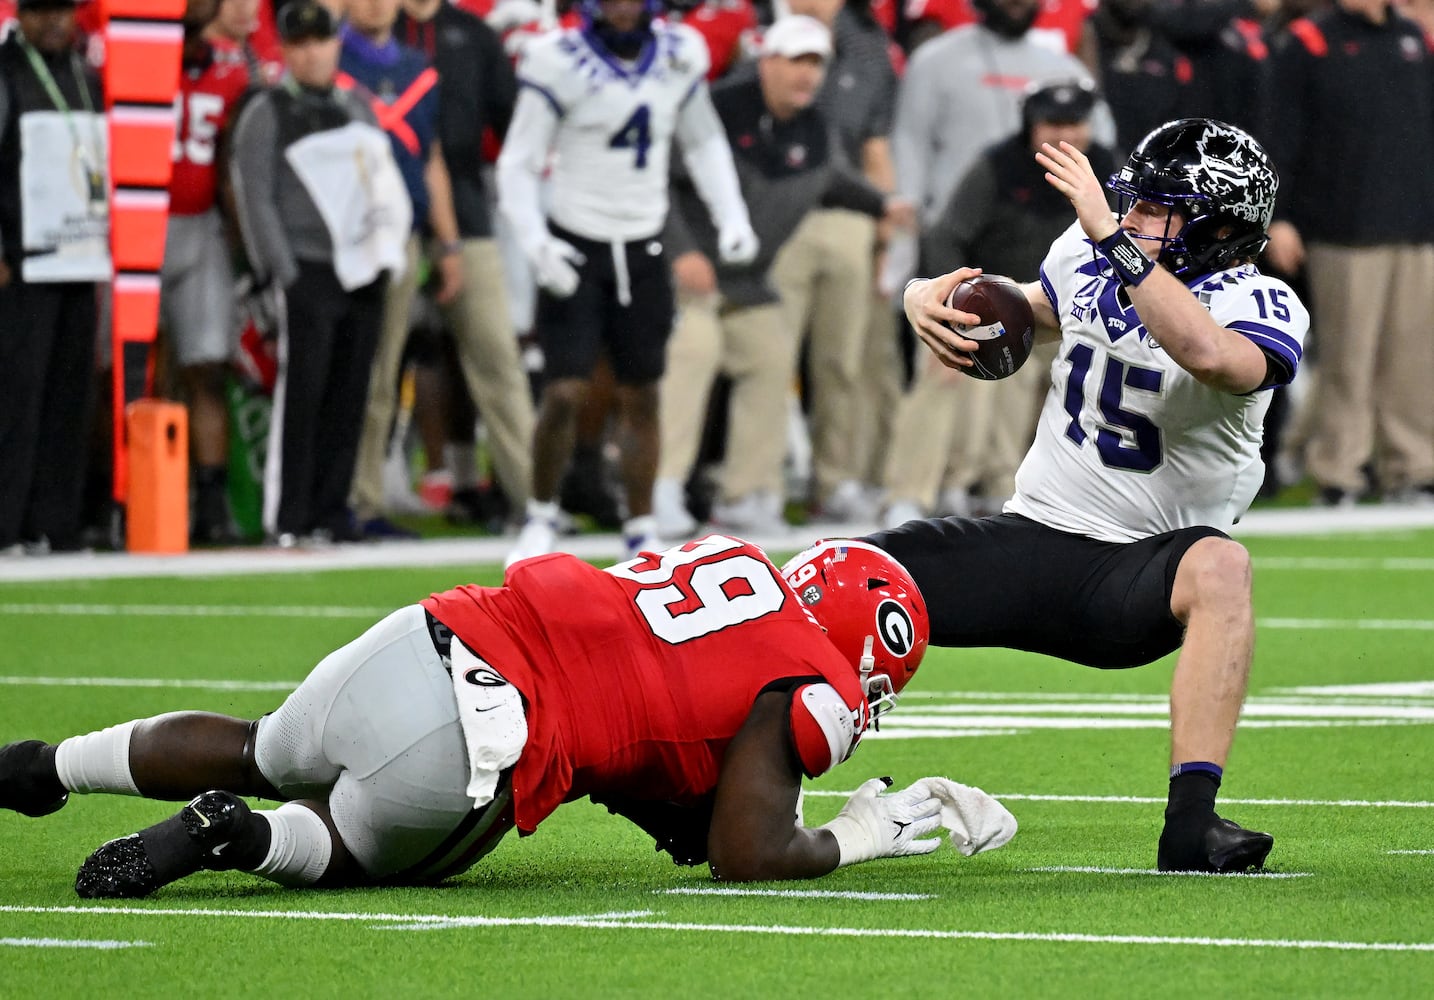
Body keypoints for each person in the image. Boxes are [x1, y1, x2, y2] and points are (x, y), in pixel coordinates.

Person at [0, 536, 1016, 895]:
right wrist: (856, 836)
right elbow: (749, 848)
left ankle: (45, 767)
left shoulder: (733, 563)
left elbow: (660, 734)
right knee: (351, 850)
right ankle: (241, 834)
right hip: (491, 731)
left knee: (267, 741)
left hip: (431, 630)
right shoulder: (818, 683)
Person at [878, 118, 1307, 873]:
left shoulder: (1264, 302)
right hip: (1037, 539)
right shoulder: (1091, 253)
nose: (1131, 218)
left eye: (1155, 209)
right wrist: (925, 297)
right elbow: (1031, 310)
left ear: (1217, 225)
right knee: (843, 573)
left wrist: (1116, 240)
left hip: (1138, 577)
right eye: (1129, 205)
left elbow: (1211, 355)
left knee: (1223, 566)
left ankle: (1191, 825)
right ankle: (744, 798)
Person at [497, 0, 759, 567]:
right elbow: (517, 161)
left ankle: (641, 528)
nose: (620, 11)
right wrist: (536, 242)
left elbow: (703, 140)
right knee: (565, 390)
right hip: (578, 240)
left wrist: (731, 213)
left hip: (643, 246)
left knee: (642, 393)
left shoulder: (678, 53)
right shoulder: (554, 59)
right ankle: (541, 513)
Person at [655, 14, 907, 539]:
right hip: (689, 276)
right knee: (693, 352)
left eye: (815, 63)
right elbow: (659, 179)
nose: (806, 74)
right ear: (765, 60)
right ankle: (661, 488)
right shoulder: (717, 108)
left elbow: (833, 181)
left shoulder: (813, 127)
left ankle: (745, 495)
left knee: (771, 356)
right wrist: (681, 253)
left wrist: (885, 205)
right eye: (795, 60)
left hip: (747, 283)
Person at [881, 78, 1114, 525]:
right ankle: (910, 494)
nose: (1065, 134)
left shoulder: (1104, 168)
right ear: (1031, 124)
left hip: (1074, 309)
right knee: (944, 372)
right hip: (988, 304)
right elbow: (947, 236)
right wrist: (948, 301)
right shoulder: (998, 167)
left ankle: (1000, 491)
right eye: (1053, 123)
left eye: (1075, 122)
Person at [230, 0, 410, 546]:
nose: (311, 54)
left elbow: (378, 182)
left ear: (337, 44)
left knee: (351, 389)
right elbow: (253, 195)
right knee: (302, 393)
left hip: (359, 268)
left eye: (320, 41)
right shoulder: (267, 110)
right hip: (305, 266)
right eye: (299, 44)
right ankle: (288, 517)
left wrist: (384, 253)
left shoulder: (355, 104)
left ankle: (333, 511)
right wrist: (279, 269)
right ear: (285, 51)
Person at [1262, 0, 1434, 506]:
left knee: (1414, 359)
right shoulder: (1309, 41)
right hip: (1341, 227)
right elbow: (1280, 135)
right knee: (1347, 358)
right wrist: (1281, 215)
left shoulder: (1414, 39)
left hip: (1417, 226)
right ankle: (1340, 472)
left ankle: (1413, 468)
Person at [0, 0, 107, 556]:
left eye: (62, 10)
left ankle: (55, 525)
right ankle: (8, 526)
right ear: (21, 14)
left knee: (70, 398)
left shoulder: (85, 74)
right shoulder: (6, 71)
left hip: (80, 258)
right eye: (41, 11)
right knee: (17, 398)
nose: (53, 22)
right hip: (23, 264)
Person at [165, 0, 253, 544]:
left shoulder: (232, 70)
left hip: (201, 226)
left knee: (206, 367)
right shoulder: (121, 59)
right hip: (130, 226)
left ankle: (212, 503)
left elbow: (232, 168)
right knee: (118, 374)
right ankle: (114, 498)